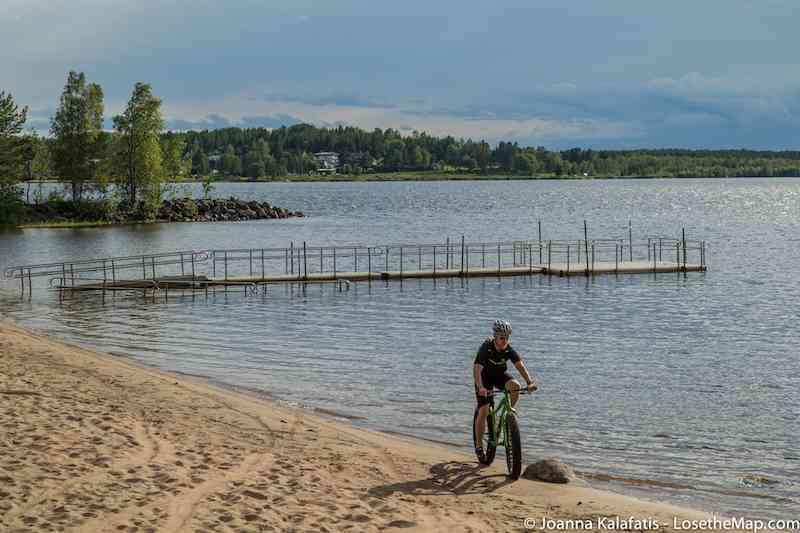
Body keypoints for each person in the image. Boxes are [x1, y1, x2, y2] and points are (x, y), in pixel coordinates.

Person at [473, 319, 537, 462]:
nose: (504, 341)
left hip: (499, 376)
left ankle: (508, 415)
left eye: (507, 338)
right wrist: (480, 387)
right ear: (495, 336)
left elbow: (519, 365)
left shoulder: (508, 348)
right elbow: (477, 368)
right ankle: (478, 446)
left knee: (515, 386)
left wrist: (529, 382)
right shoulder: (486, 348)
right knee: (484, 410)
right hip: (484, 379)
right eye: (502, 338)